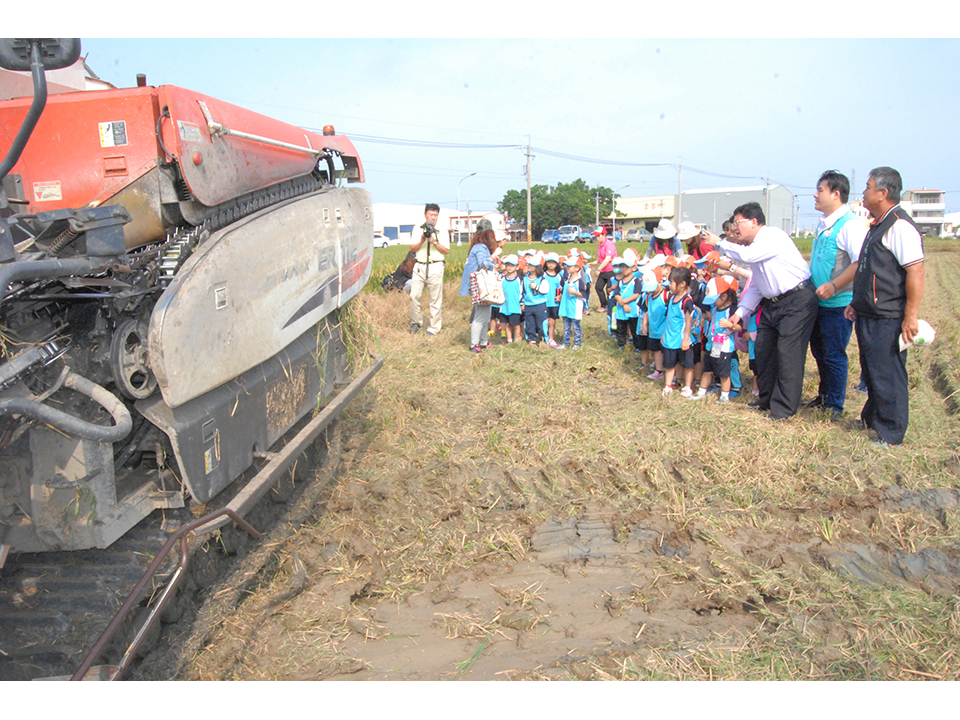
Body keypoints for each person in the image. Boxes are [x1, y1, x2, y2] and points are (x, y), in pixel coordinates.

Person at [703, 202, 818, 420]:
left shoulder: (772, 237)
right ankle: (766, 400)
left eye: (738, 223)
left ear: (754, 222)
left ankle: (783, 409)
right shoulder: (755, 248)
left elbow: (747, 257)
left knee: (788, 354)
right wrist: (740, 312)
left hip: (797, 300)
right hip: (772, 302)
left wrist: (720, 242)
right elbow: (757, 284)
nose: (735, 228)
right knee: (764, 351)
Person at [845, 167, 925, 446]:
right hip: (870, 313)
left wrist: (910, 316)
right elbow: (868, 270)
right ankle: (873, 418)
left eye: (867, 187)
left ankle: (891, 433)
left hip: (889, 315)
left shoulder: (900, 226)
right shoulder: (878, 224)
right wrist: (857, 303)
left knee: (888, 373)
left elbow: (915, 271)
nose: (863, 193)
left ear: (883, 192)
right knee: (872, 370)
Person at [805, 170, 868, 420]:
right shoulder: (824, 224)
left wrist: (834, 285)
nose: (815, 194)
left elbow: (859, 262)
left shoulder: (850, 225)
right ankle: (824, 395)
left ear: (836, 194)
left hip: (838, 303)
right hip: (818, 301)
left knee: (834, 354)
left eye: (820, 190)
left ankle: (835, 404)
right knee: (819, 352)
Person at [409, 203, 449, 335]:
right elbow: (412, 248)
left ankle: (434, 327)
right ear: (425, 214)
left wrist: (434, 242)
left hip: (435, 265)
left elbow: (446, 250)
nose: (433, 217)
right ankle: (416, 322)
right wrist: (422, 240)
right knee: (414, 295)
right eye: (431, 214)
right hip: (420, 265)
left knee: (435, 299)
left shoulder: (441, 229)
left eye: (435, 215)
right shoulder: (418, 228)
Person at [660, 266, 699, 398]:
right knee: (670, 364)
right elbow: (669, 319)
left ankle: (687, 386)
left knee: (687, 365)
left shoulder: (687, 301)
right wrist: (664, 334)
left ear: (682, 284)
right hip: (670, 339)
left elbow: (688, 322)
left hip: (682, 338)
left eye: (672, 282)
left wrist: (686, 338)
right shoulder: (671, 299)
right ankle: (669, 384)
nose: (669, 285)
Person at [459, 227, 498, 353]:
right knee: (480, 317)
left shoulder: (477, 246)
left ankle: (483, 342)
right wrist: (494, 256)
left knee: (485, 316)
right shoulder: (481, 247)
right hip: (481, 286)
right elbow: (484, 264)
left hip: (480, 286)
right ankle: (474, 344)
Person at [557, 257, 586, 350]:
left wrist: (575, 292)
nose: (567, 268)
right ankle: (566, 343)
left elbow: (584, 295)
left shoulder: (580, 281)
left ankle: (577, 343)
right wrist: (560, 297)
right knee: (566, 327)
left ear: (577, 268)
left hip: (575, 308)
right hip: (566, 307)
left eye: (570, 266)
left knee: (576, 327)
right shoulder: (567, 279)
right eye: (567, 266)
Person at [498, 255, 524, 344]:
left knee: (516, 324)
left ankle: (517, 339)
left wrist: (522, 303)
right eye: (508, 265)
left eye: (512, 265)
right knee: (507, 324)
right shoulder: (502, 279)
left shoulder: (519, 280)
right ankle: (509, 340)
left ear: (517, 267)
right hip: (505, 305)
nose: (509, 268)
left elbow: (522, 293)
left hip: (515, 306)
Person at [590, 227, 617, 310]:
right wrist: (593, 263)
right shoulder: (600, 245)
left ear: (604, 235)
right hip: (604, 270)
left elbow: (607, 259)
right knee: (598, 287)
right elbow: (601, 258)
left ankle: (610, 306)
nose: (597, 237)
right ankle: (604, 304)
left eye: (598, 235)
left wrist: (598, 269)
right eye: (596, 236)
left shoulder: (609, 244)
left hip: (611, 270)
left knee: (609, 289)